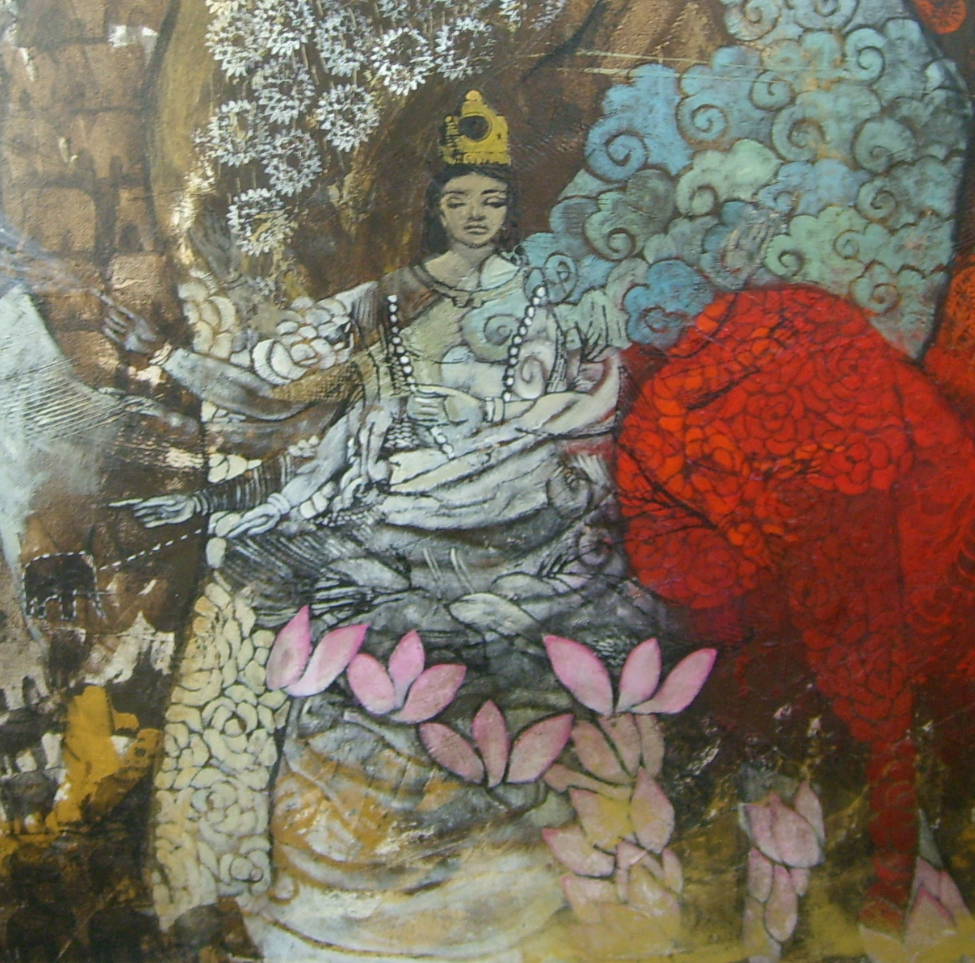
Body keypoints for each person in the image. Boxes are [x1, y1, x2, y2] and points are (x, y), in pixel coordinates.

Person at [105, 92, 658, 962]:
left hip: (526, 537)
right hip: (392, 534)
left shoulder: (546, 293)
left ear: (508, 208)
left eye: (490, 200)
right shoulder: (387, 301)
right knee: (359, 715)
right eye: (458, 200)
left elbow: (582, 401)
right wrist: (166, 355)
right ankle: (342, 903)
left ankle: (523, 897)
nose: (474, 215)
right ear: (435, 208)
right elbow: (272, 392)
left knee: (531, 724)